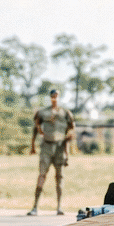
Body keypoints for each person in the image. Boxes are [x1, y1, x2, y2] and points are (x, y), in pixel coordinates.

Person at [28, 88, 74, 216]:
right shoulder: (43, 112)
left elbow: (71, 129)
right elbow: (35, 129)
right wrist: (32, 146)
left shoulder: (66, 113)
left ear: (59, 97)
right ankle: (35, 207)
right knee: (42, 175)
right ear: (50, 97)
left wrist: (68, 148)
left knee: (60, 177)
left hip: (60, 146)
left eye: (57, 96)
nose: (55, 98)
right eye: (53, 96)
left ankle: (59, 207)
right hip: (47, 146)